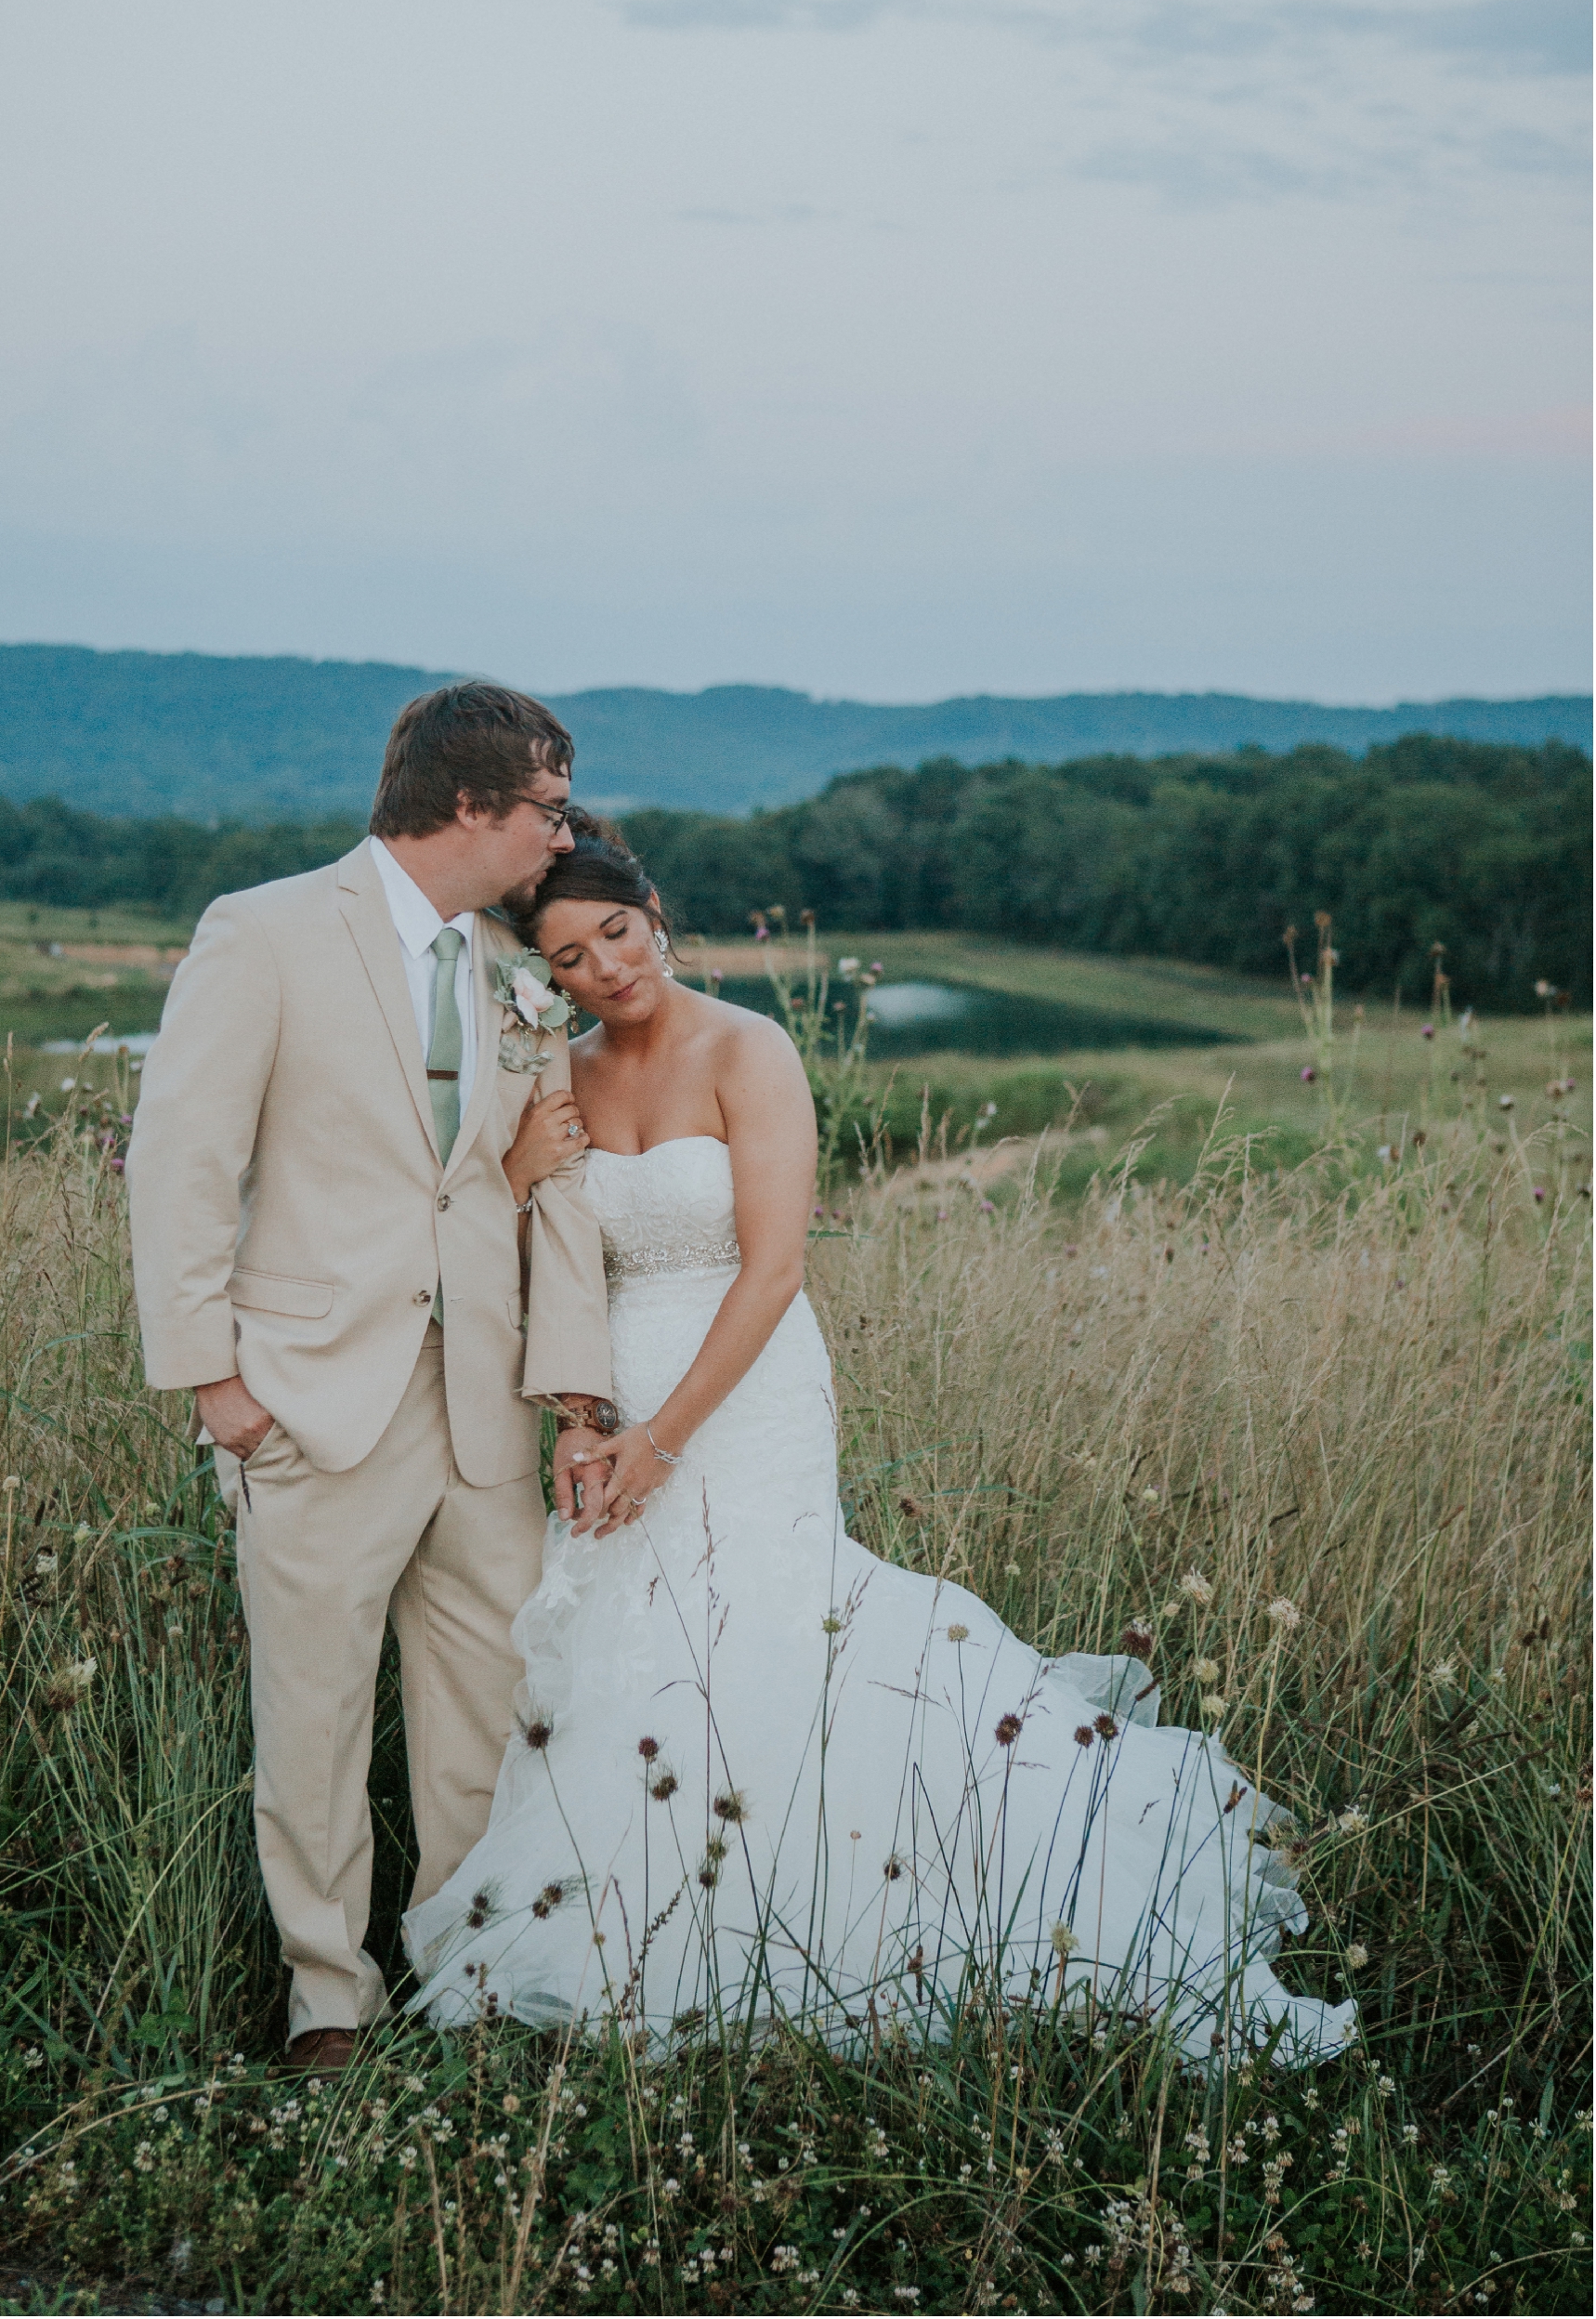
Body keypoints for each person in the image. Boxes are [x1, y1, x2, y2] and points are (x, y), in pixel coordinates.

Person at [403, 819, 1356, 2064]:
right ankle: (649, 1919)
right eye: (570, 958)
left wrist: (665, 1441)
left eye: (617, 933)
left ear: (657, 912)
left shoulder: (753, 1049)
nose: (605, 969)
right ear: (549, 975)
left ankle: (841, 1915)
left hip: (746, 1389)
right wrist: (585, 1405)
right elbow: (561, 1266)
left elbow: (775, 1263)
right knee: (631, 1637)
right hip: (618, 1388)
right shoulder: (560, 1076)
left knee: (774, 1618)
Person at [126, 683, 613, 2071]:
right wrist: (215, 1381)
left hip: (480, 1407)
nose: (561, 833)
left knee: (484, 1714)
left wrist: (575, 1392)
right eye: (547, 805)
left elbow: (551, 1191)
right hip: (310, 1397)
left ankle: (466, 1975)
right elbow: (181, 1161)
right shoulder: (265, 930)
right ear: (471, 804)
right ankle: (327, 1996)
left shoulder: (516, 980)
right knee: (317, 1713)